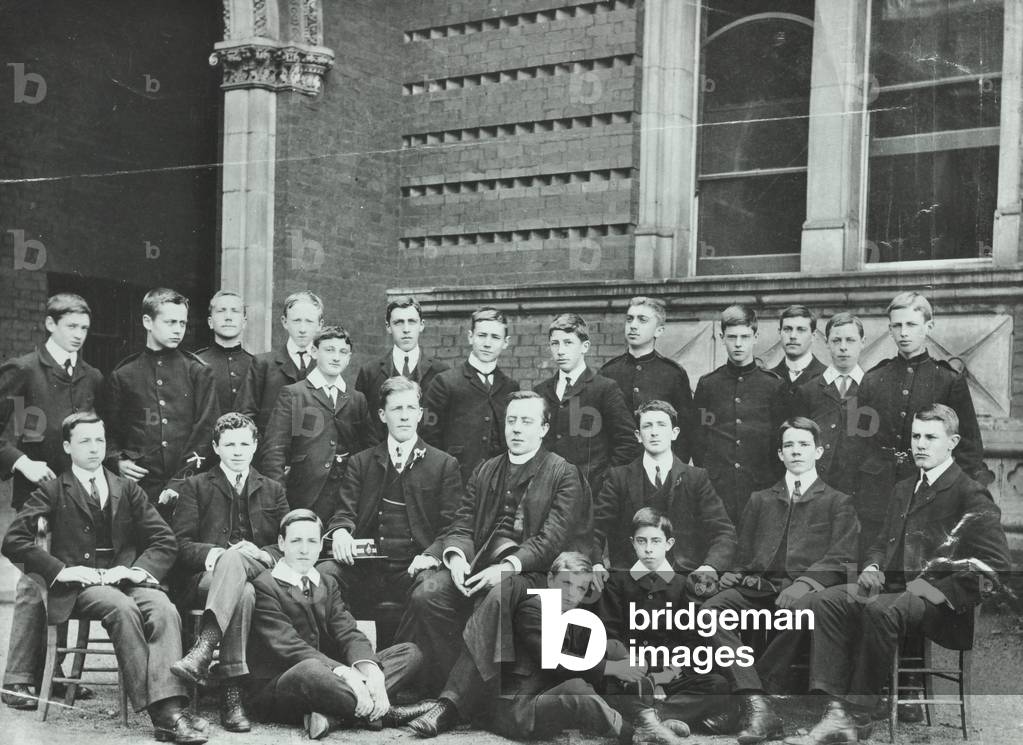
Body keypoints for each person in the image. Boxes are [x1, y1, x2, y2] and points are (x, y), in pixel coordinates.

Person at [783, 405, 1010, 745]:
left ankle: (858, 713)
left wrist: (934, 592)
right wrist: (874, 565)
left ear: (953, 442)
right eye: (916, 436)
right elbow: (879, 543)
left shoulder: (969, 492)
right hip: (892, 592)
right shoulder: (905, 488)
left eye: (931, 437)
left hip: (942, 606)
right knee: (825, 601)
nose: (920, 444)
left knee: (881, 609)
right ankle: (834, 708)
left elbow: (995, 567)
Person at [2, 412, 208, 743]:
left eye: (100, 439)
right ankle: (166, 714)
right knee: (121, 609)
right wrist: (62, 570)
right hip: (79, 586)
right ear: (68, 447)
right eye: (85, 441)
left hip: (124, 578)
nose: (95, 448)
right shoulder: (53, 490)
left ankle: (168, 709)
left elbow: (164, 540)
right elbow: (13, 541)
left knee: (164, 608)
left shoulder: (126, 488)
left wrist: (134, 570)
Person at [394, 391, 591, 693]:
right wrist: (457, 558)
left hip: (530, 571)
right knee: (427, 594)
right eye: (511, 420)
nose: (516, 428)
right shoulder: (486, 469)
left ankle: (462, 697)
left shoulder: (563, 473)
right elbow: (463, 521)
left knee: (497, 594)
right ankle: (451, 683)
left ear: (543, 428)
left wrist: (507, 567)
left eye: (526, 421)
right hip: (478, 564)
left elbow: (551, 540)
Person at [401, 551, 692, 745]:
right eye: (565, 583)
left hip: (546, 691)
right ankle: (638, 735)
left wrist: (635, 664)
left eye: (580, 588)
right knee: (578, 689)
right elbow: (552, 659)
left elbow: (598, 649)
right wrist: (614, 668)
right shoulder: (533, 607)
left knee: (612, 648)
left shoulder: (568, 613)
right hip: (517, 707)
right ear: (550, 579)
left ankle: (650, 716)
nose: (572, 594)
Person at [701, 417, 859, 745]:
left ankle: (756, 702)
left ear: (818, 451)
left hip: (804, 592)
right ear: (779, 453)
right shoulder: (760, 499)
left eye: (803, 445)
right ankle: (757, 701)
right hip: (759, 589)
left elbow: (843, 557)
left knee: (807, 610)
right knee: (711, 610)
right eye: (789, 445)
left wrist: (805, 584)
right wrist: (735, 573)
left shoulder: (837, 501)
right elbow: (744, 554)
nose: (796, 451)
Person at [0, 293, 104, 709]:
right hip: (37, 495)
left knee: (62, 578)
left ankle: (51, 676)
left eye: (83, 328)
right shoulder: (24, 370)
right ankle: (18, 680)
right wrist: (21, 461)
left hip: (77, 496)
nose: (78, 335)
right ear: (50, 324)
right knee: (35, 580)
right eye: (71, 327)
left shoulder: (91, 377)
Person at [246, 509, 423, 739]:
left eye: (311, 541)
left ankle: (333, 717)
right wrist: (346, 674)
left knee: (410, 653)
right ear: (281, 543)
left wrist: (371, 672)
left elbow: (347, 631)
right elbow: (290, 647)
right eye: (296, 541)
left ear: (321, 545)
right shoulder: (265, 585)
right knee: (309, 670)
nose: (304, 549)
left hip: (330, 681)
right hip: (284, 685)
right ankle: (385, 713)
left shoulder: (327, 583)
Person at [169, 412, 289, 731]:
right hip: (208, 578)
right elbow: (179, 544)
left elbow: (286, 544)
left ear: (254, 447)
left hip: (259, 572)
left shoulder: (273, 489)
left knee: (246, 578)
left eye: (244, 444)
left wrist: (263, 552)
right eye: (229, 444)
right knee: (241, 588)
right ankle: (231, 695)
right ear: (216, 447)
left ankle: (204, 649)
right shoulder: (195, 486)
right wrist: (218, 554)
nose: (237, 451)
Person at [323, 376, 464, 645]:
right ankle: (339, 663)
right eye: (396, 409)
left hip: (416, 566)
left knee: (429, 592)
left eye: (411, 409)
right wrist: (340, 532)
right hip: (368, 568)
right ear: (382, 415)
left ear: (420, 414)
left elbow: (453, 525)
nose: (404, 416)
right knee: (324, 576)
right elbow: (345, 510)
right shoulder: (361, 462)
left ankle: (417, 670)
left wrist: (432, 555)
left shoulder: (443, 464)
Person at [856, 291, 991, 541]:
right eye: (897, 325)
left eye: (911, 324)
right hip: (877, 493)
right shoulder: (873, 379)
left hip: (930, 493)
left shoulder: (948, 380)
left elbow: (969, 447)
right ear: (890, 329)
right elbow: (858, 440)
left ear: (928, 326)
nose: (903, 332)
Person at [599, 509, 733, 733]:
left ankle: (655, 718)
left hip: (670, 674)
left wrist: (664, 676)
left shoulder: (682, 585)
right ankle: (667, 717)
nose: (648, 549)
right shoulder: (617, 582)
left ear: (669, 544)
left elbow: (690, 639)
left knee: (718, 685)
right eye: (641, 541)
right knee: (614, 688)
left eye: (656, 541)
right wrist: (635, 671)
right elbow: (609, 633)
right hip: (630, 671)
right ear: (632, 543)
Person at [593, 401, 735, 598]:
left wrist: (709, 566)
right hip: (629, 583)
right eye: (647, 426)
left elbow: (724, 533)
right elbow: (594, 529)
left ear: (674, 433)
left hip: (684, 584)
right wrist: (596, 563)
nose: (654, 432)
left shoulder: (696, 478)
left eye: (661, 425)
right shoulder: (619, 478)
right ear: (638, 436)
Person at [102, 288, 218, 514]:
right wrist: (117, 461)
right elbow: (109, 433)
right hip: (140, 491)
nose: (178, 330)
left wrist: (180, 481)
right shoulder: (124, 375)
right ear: (147, 321)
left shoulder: (198, 372)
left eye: (182, 324)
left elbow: (207, 430)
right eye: (170, 322)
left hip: (189, 486)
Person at [260, 325, 376, 523]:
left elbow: (369, 449)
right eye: (329, 350)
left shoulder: (357, 399)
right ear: (314, 352)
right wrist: (279, 502)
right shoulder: (294, 393)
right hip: (305, 493)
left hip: (347, 496)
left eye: (343, 352)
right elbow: (274, 451)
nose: (336, 357)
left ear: (349, 358)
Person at [691, 305, 786, 526]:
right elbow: (700, 436)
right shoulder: (709, 385)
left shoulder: (773, 386)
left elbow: (779, 437)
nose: (738, 344)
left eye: (745, 336)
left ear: (755, 337)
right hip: (719, 487)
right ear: (722, 337)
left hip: (761, 486)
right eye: (732, 337)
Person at [791, 313, 872, 553]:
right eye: (836, 341)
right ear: (827, 343)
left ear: (863, 342)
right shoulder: (808, 391)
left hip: (860, 493)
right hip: (817, 492)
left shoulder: (873, 388)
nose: (843, 348)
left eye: (850, 340)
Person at [534, 312, 638, 498]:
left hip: (590, 494)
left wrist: (605, 483)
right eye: (555, 343)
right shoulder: (541, 391)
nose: (560, 350)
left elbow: (628, 443)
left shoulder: (605, 388)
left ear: (585, 346)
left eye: (568, 342)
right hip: (547, 491)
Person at [422, 306, 520, 483]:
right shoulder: (445, 382)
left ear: (506, 342)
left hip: (497, 483)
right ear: (470, 337)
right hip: (455, 482)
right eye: (482, 335)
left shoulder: (510, 387)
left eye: (495, 337)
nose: (487, 343)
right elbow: (429, 438)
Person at [599, 297, 697, 462]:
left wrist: (674, 473)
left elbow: (685, 431)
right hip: (617, 471)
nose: (633, 325)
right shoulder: (609, 372)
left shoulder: (673, 374)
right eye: (629, 319)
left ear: (658, 330)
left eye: (642, 320)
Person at [355, 295, 449, 440]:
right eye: (398, 322)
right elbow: (361, 425)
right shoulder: (369, 373)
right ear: (388, 327)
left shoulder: (441, 372)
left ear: (421, 325)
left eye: (412, 322)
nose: (406, 329)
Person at [236, 290, 322, 435]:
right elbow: (245, 414)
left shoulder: (324, 366)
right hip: (269, 452)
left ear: (320, 325)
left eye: (309, 321)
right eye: (296, 321)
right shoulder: (263, 364)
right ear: (284, 322)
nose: (302, 329)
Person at [195, 290, 254, 414]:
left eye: (235, 311)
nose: (228, 317)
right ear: (210, 322)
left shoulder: (256, 365)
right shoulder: (196, 363)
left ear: (244, 322)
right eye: (221, 311)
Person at [769, 305, 826, 402]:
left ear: (813, 335)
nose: (793, 336)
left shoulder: (827, 377)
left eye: (801, 330)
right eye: (787, 329)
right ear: (780, 333)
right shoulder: (768, 379)